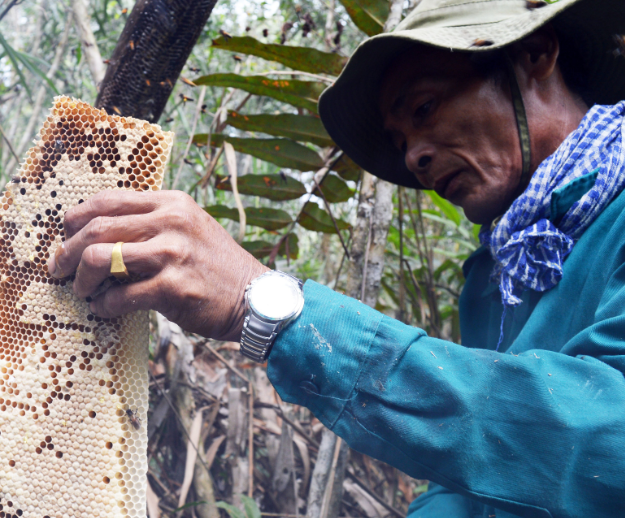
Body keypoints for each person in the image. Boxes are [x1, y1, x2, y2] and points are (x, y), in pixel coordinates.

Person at [47, 0, 625, 516]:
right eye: (400, 143)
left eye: (423, 109)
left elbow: (606, 442)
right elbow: (482, 476)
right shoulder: (492, 277)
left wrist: (275, 310)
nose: (416, 158)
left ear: (536, 53)